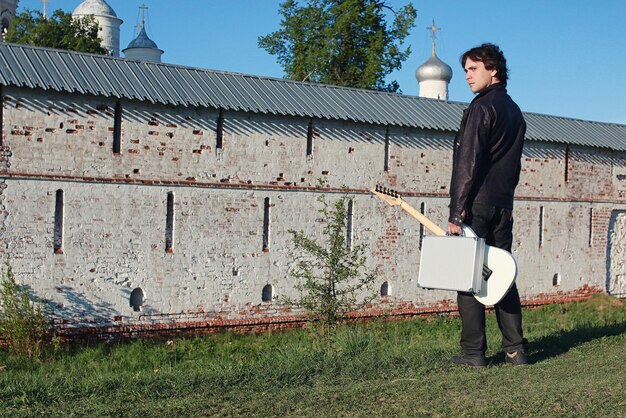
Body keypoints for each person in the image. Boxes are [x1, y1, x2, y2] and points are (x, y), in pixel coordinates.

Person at [448, 43, 528, 367]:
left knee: (468, 278)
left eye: (473, 69)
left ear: (493, 70)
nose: (466, 76)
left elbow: (468, 162)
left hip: (476, 206)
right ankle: (516, 351)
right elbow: (514, 167)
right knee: (502, 275)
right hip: (502, 207)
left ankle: (473, 353)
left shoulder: (481, 108)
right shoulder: (516, 112)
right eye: (465, 70)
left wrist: (457, 212)